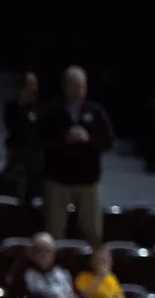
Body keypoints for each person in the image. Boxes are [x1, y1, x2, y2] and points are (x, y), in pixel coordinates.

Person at [40, 66, 113, 245]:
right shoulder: (53, 111)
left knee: (93, 233)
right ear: (65, 86)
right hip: (58, 181)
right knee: (54, 231)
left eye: (81, 86)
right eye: (74, 86)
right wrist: (64, 138)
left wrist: (88, 138)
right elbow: (41, 140)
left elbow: (108, 141)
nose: (78, 91)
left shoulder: (95, 111)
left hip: (88, 182)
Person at [21, 231, 78, 298]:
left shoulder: (62, 272)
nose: (44, 255)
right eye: (40, 250)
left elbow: (74, 295)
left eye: (48, 251)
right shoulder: (23, 273)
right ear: (32, 253)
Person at [4, 71, 42, 197]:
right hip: (17, 153)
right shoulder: (11, 107)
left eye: (35, 84)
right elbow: (12, 126)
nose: (34, 88)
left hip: (34, 155)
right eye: (31, 84)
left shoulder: (38, 108)